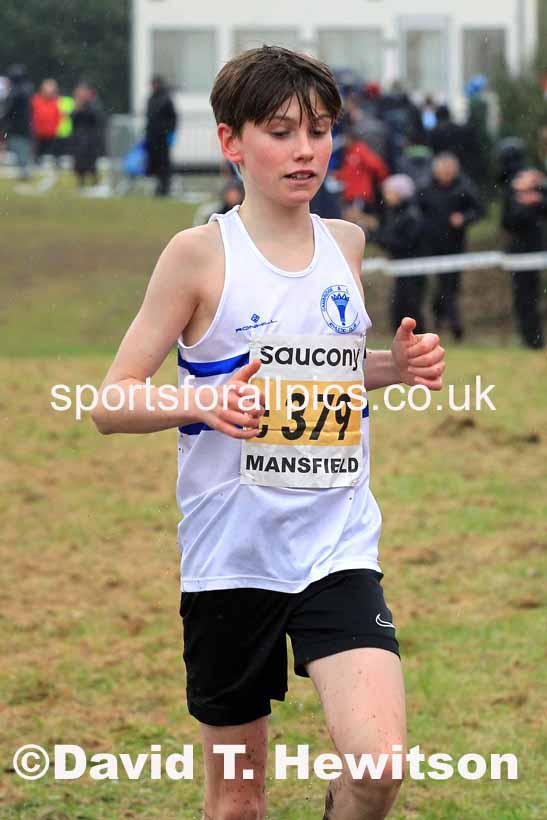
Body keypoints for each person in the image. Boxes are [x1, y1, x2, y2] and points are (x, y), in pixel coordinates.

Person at [91, 46, 445, 820]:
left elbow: (330, 374)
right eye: (281, 131)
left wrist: (396, 364)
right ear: (230, 142)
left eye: (318, 131)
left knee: (379, 768)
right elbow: (111, 402)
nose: (305, 150)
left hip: (335, 546)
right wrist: (200, 402)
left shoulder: (345, 244)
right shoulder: (196, 256)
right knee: (239, 804)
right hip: (231, 560)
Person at [418, 152, 484, 341]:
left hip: (455, 245)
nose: (446, 175)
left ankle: (453, 325)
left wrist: (464, 218)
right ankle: (445, 322)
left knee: (451, 287)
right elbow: (417, 212)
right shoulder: (425, 188)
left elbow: (479, 210)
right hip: (431, 246)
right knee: (439, 287)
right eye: (443, 171)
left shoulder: (464, 188)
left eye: (450, 171)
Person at [501, 161, 547, 349]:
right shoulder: (511, 197)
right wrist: (524, 205)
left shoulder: (541, 194)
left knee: (532, 297)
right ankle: (531, 338)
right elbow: (509, 222)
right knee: (524, 298)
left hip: (539, 250)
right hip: (520, 253)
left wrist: (538, 198)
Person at [376, 175, 426, 334]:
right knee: (400, 304)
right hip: (401, 267)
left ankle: (417, 336)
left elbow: (406, 242)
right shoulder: (393, 213)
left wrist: (382, 239)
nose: (386, 196)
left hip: (413, 268)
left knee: (411, 305)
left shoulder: (411, 215)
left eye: (390, 192)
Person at [145, 75, 178, 196]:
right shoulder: (150, 99)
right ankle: (158, 187)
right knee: (155, 164)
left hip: (163, 138)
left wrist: (171, 133)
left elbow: (173, 118)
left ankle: (165, 188)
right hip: (152, 138)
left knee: (164, 164)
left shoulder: (166, 100)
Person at [2, 64, 33, 180]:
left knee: (19, 147)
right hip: (24, 124)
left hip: (17, 125)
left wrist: (4, 119)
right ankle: (24, 170)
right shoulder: (27, 88)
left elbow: (9, 109)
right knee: (22, 147)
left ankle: (24, 172)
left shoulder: (16, 91)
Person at [71, 83, 101, 187]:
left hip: (89, 137)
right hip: (79, 138)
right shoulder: (76, 104)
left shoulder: (92, 103)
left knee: (90, 161)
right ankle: (81, 182)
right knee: (79, 161)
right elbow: (73, 119)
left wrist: (84, 107)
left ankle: (94, 181)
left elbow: (95, 117)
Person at [31, 78, 61, 161]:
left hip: (52, 136)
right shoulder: (35, 100)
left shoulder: (57, 102)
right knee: (36, 156)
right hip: (37, 135)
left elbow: (58, 117)